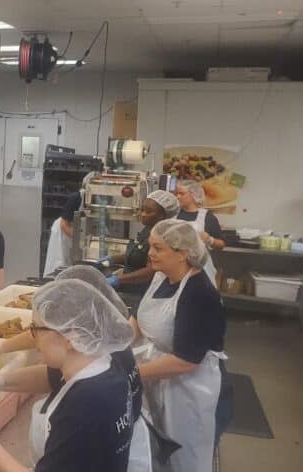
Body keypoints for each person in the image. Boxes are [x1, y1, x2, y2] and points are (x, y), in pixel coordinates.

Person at [0, 265, 151, 472]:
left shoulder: (85, 403)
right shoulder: (95, 361)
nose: (33, 340)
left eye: (37, 329)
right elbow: (51, 377)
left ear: (73, 335)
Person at [133, 220, 226, 472]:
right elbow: (138, 322)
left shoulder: (200, 293)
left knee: (184, 454)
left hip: (185, 389)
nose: (150, 253)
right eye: (150, 246)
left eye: (158, 248)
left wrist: (130, 373)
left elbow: (186, 360)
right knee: (156, 451)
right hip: (155, 375)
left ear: (182, 254)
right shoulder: (160, 277)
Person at [107, 190, 180, 296]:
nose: (143, 214)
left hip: (143, 292)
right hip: (129, 288)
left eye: (149, 211)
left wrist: (119, 279)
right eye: (142, 210)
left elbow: (151, 270)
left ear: (163, 216)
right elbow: (136, 254)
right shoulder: (146, 230)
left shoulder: (163, 237)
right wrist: (111, 259)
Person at [174, 179, 223, 283]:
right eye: (176, 193)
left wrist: (210, 240)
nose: (177, 196)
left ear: (194, 195)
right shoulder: (173, 216)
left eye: (181, 193)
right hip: (176, 267)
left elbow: (221, 244)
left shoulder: (207, 217)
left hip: (201, 270)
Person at [43, 191, 82, 275]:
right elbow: (64, 225)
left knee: (68, 265)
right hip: (62, 233)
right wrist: (80, 241)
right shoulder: (77, 198)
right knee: (58, 263)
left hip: (72, 232)